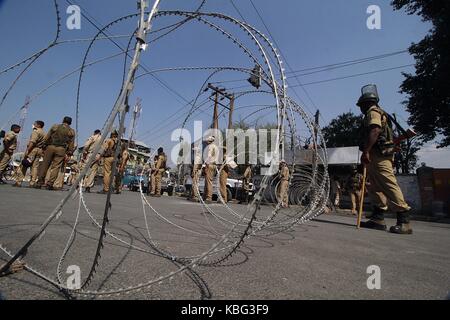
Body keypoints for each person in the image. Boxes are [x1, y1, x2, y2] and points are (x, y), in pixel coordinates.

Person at [357, 84, 412, 234]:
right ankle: (378, 218)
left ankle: (404, 220)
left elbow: (375, 130)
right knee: (374, 185)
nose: (361, 109)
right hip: (376, 155)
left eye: (361, 105)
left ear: (366, 103)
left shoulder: (373, 111)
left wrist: (366, 152)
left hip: (379, 155)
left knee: (388, 183)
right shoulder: (377, 112)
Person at [35, 117, 75, 190]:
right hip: (61, 149)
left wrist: (43, 145)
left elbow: (47, 136)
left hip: (50, 147)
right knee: (56, 167)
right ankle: (50, 184)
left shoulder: (55, 126)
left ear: (63, 120)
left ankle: (40, 182)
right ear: (70, 123)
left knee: (45, 164)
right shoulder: (71, 131)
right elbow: (71, 144)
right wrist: (69, 153)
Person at [96, 130, 118, 194]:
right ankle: (111, 187)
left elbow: (104, 148)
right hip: (115, 158)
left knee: (106, 173)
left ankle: (106, 189)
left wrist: (99, 155)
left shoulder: (109, 140)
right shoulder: (118, 142)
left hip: (108, 158)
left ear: (112, 134)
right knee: (112, 174)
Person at [203, 136, 218, 203]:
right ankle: (206, 196)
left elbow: (209, 156)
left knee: (208, 181)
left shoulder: (210, 146)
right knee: (208, 181)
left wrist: (205, 163)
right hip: (214, 165)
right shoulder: (216, 147)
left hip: (210, 164)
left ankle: (209, 197)